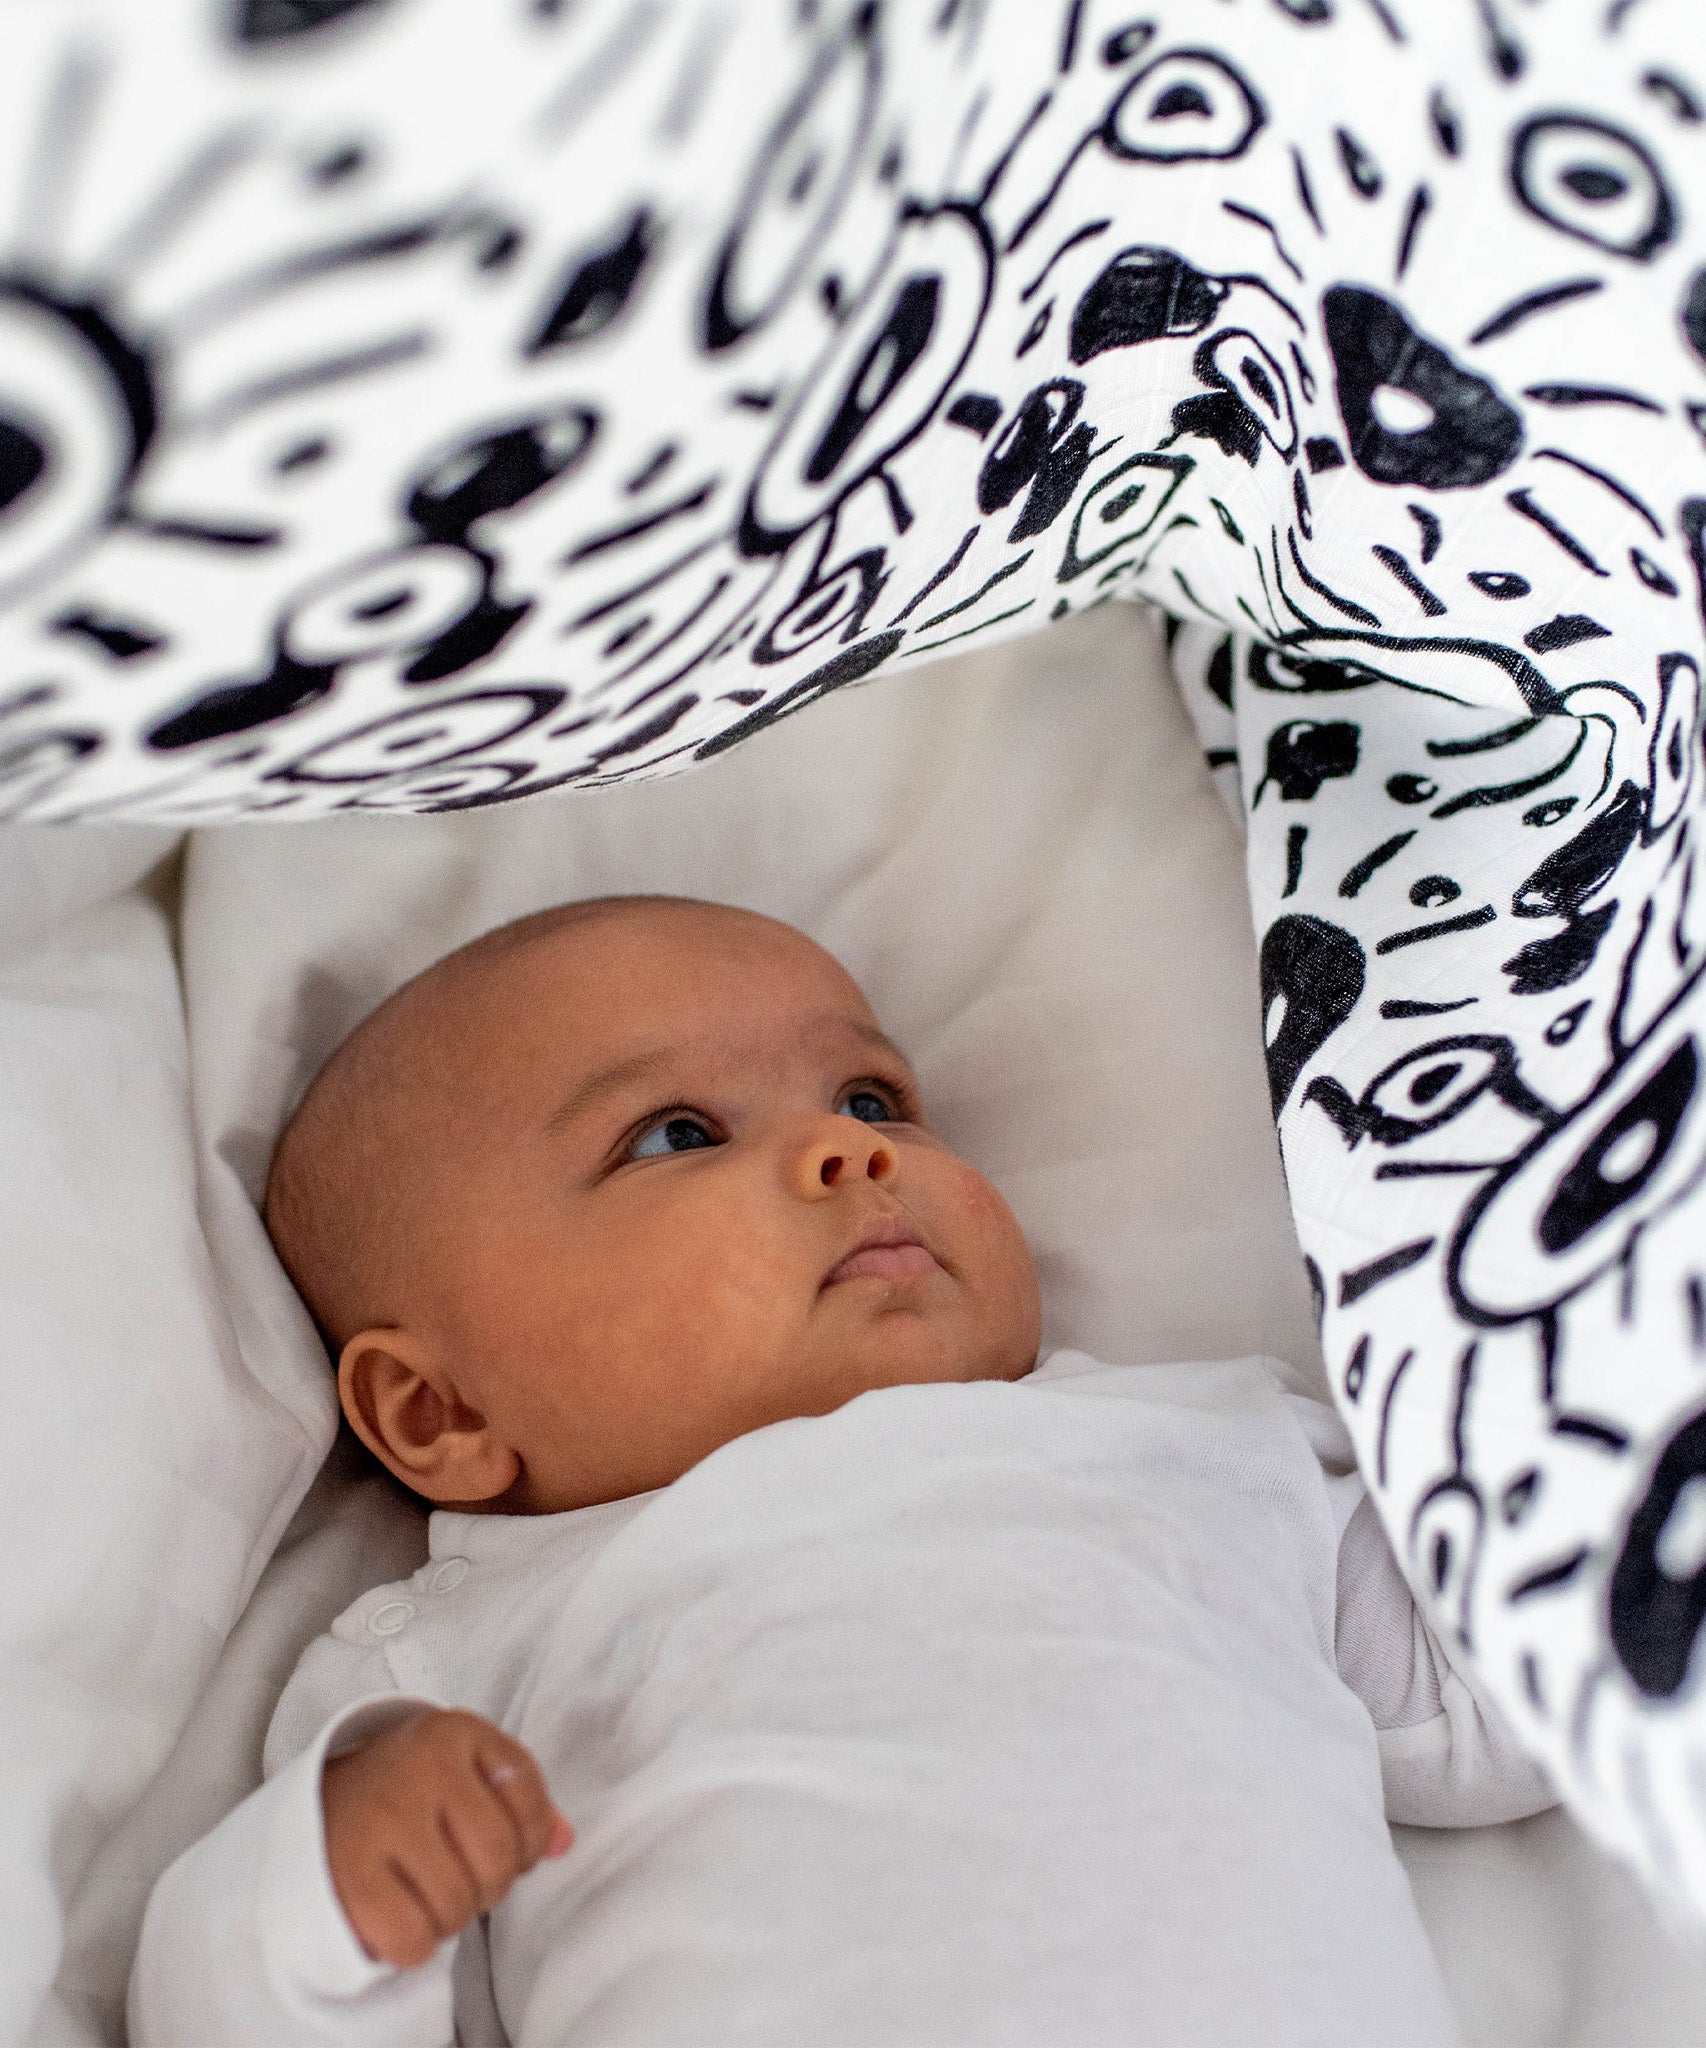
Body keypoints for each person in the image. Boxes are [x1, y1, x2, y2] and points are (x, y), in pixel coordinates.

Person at [129, 897, 1550, 2048]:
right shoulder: (446, 1658)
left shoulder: (1197, 1444)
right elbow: (232, 2016)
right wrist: (317, 1889)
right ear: (437, 1410)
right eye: (674, 1134)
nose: (843, 1148)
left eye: (872, 1092)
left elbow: (1511, 1697)